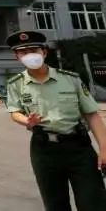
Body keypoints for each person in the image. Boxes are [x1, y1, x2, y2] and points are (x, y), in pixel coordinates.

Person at [6, 30, 106, 210]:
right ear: (17, 57)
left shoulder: (70, 79)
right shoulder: (16, 84)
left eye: (34, 50)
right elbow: (14, 111)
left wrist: (104, 149)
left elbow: (91, 114)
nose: (30, 55)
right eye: (23, 52)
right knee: (55, 205)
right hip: (44, 151)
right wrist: (26, 121)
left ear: (44, 52)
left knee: (93, 203)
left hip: (79, 148)